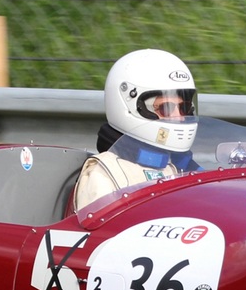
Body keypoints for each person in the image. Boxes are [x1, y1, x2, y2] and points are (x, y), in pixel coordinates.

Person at [72, 49, 200, 211]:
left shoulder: (179, 168)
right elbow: (101, 234)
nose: (180, 117)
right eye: (166, 107)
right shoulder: (104, 173)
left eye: (185, 107)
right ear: (130, 105)